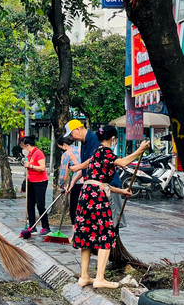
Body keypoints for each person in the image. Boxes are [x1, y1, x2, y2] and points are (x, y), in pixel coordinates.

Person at [72, 125, 149, 289]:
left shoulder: (95, 152)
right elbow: (121, 162)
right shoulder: (104, 151)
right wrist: (140, 150)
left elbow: (99, 181)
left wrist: (120, 190)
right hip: (96, 198)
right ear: (113, 139)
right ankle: (99, 278)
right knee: (105, 234)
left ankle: (84, 276)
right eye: (116, 139)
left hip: (87, 193)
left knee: (87, 235)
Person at [67, 119, 125, 228]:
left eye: (71, 134)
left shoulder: (94, 140)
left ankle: (112, 243)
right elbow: (89, 167)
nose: (72, 137)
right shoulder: (83, 143)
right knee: (99, 223)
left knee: (111, 222)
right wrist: (74, 181)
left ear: (78, 129)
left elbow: (93, 159)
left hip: (108, 185)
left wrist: (140, 149)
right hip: (97, 189)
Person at [20, 135, 51, 236]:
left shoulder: (38, 153)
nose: (23, 150)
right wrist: (24, 184)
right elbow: (28, 172)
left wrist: (31, 165)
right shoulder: (29, 155)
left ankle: (46, 227)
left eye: (23, 147)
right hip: (31, 181)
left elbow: (42, 168)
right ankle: (32, 226)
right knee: (30, 204)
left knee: (40, 204)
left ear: (27, 145)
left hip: (40, 181)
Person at [57, 135, 82, 234]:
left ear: (64, 145)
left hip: (77, 182)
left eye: (61, 147)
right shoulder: (80, 149)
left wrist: (61, 186)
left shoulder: (67, 154)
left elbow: (63, 173)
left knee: (74, 209)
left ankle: (75, 234)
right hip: (88, 182)